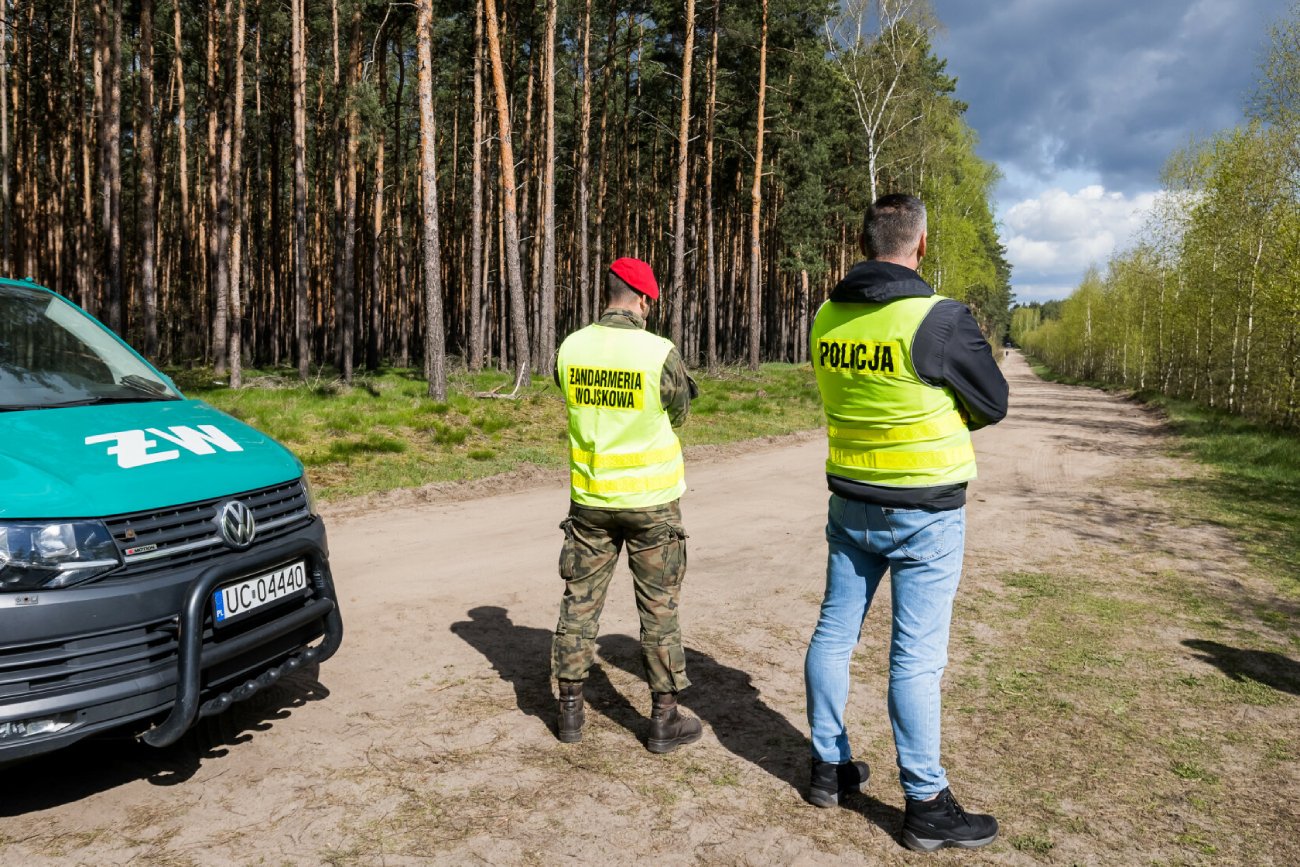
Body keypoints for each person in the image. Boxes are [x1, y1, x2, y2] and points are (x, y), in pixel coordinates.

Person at [803, 194, 1009, 852]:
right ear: (921, 245)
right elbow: (992, 401)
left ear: (865, 243)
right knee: (915, 660)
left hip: (851, 502)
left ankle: (828, 769)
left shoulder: (828, 316)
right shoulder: (938, 319)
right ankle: (924, 803)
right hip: (925, 511)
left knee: (835, 634)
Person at [550, 257, 702, 754]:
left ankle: (570, 709)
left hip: (591, 499)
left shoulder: (572, 347)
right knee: (659, 607)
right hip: (652, 503)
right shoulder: (658, 352)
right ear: (641, 300)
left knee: (580, 601)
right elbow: (679, 412)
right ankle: (663, 718)